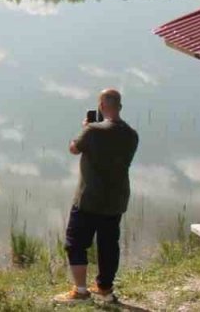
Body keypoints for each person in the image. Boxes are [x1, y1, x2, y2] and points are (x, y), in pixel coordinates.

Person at [53, 88, 139, 305]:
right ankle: (105, 288)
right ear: (120, 107)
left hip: (89, 198)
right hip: (116, 199)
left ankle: (81, 291)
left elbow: (74, 149)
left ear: (101, 106)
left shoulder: (92, 130)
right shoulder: (132, 134)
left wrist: (86, 128)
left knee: (75, 243)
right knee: (109, 245)